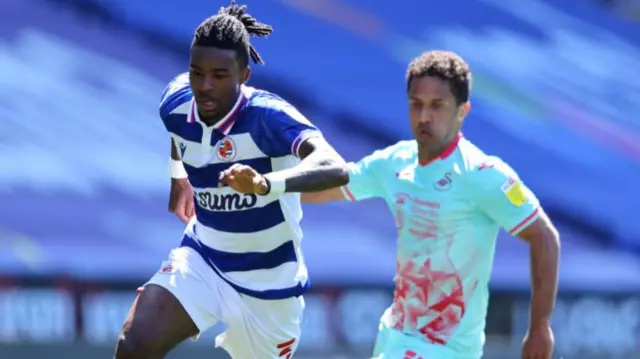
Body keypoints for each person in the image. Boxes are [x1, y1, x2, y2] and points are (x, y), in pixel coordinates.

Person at [113, 2, 348, 359]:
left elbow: (333, 165)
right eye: (197, 72)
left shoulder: (269, 118)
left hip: (270, 288)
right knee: (135, 344)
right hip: (203, 259)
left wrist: (265, 184)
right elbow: (179, 134)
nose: (205, 87)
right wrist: (179, 177)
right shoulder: (175, 103)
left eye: (219, 76)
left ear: (244, 75)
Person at [302, 51, 560, 359]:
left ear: (462, 111)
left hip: (446, 349)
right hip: (394, 334)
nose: (424, 116)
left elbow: (544, 236)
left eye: (437, 106)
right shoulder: (394, 161)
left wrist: (540, 326)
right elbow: (331, 188)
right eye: (416, 104)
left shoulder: (482, 174)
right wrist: (269, 188)